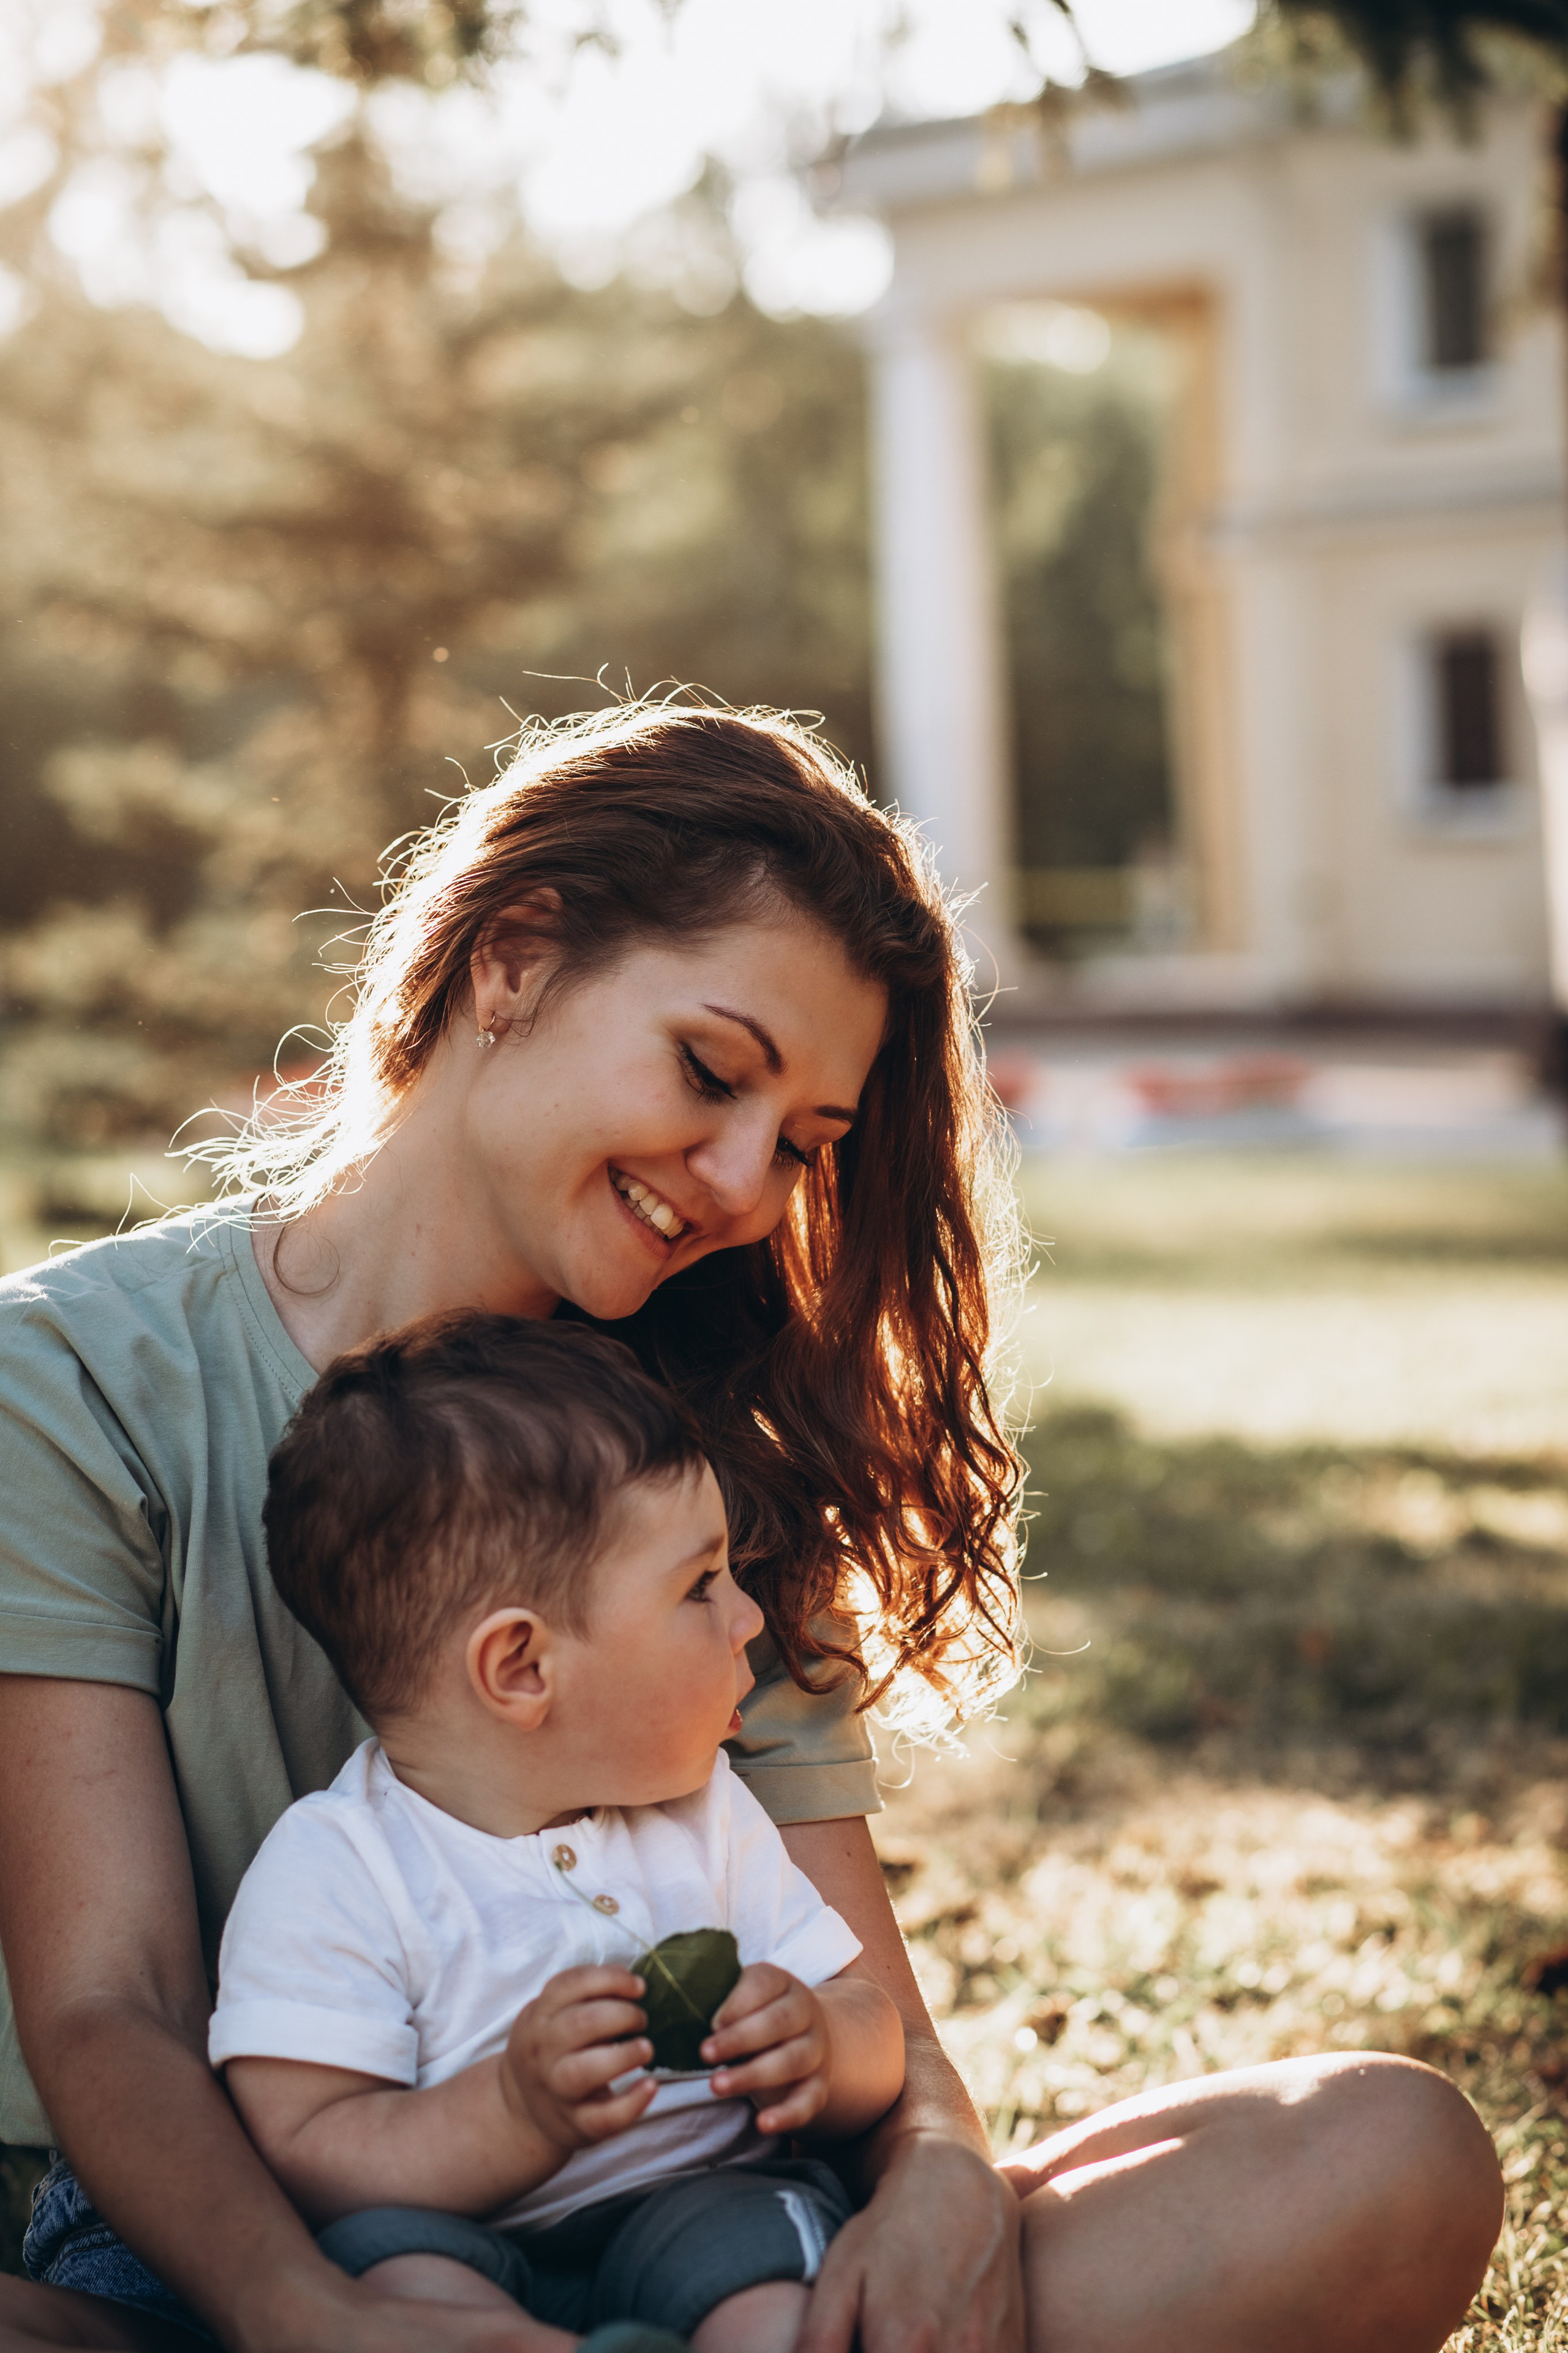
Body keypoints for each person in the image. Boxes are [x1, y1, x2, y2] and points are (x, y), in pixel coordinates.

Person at [0, 702, 1502, 2353]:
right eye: (712, 1072)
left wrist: (937, 2173)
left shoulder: (724, 1452)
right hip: (232, 2268)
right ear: (514, 961)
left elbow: (861, 2006)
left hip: (715, 2244)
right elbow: (113, 1999)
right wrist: (314, 2319)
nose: (738, 1183)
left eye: (804, 1144)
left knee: (1385, 2151)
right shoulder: (68, 1383)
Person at [214, 1310, 905, 2353]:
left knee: (775, 2294)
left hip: (702, 2199)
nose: (748, 1619)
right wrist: (509, 2114)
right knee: (395, 2272)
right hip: (455, 2236)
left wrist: (824, 2041)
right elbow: (302, 2140)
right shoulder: (336, 1869)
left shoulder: (708, 1813)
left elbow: (868, 2016)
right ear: (523, 1669)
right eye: (700, 1583)